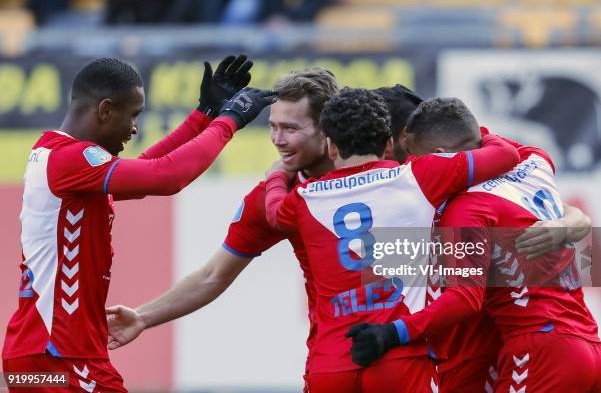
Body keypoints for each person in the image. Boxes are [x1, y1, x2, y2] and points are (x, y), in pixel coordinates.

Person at [1, 55, 276, 392]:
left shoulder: (57, 155)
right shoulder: (70, 158)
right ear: (105, 110)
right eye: (132, 116)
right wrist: (229, 120)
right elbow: (167, 176)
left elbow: (149, 168)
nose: (134, 128)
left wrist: (204, 115)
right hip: (61, 354)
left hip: (40, 354)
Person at [263, 88, 524, 392]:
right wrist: (476, 132)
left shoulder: (301, 200)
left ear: (331, 147)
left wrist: (277, 176)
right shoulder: (417, 176)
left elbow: (273, 212)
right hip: (399, 357)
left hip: (332, 363)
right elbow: (506, 155)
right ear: (389, 144)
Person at [347, 98, 601, 392]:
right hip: (591, 346)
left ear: (441, 154)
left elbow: (464, 298)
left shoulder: (466, 209)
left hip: (539, 349)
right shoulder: (534, 161)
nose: (413, 167)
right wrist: (571, 223)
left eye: (416, 157)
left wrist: (392, 333)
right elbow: (496, 147)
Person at [105, 68, 340, 390]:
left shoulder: (388, 177)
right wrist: (143, 317)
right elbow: (212, 275)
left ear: (327, 130)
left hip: (400, 355)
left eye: (290, 128)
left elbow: (420, 273)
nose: (277, 140)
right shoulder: (272, 195)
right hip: (334, 360)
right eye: (273, 126)